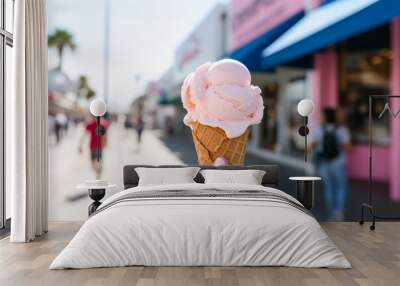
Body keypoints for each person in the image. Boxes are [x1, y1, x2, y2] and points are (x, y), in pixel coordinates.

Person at [310, 108, 351, 221]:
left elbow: (312, 147)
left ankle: (331, 213)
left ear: (325, 117)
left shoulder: (319, 130)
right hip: (338, 163)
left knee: (329, 187)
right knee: (341, 187)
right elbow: (348, 148)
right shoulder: (342, 130)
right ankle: (339, 212)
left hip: (324, 163)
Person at [79, 115, 109, 179]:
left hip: (99, 146)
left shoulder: (101, 124)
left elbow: (105, 135)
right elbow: (84, 135)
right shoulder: (90, 124)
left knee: (99, 161)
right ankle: (98, 173)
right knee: (93, 162)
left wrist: (105, 143)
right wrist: (80, 145)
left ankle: (98, 174)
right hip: (92, 146)